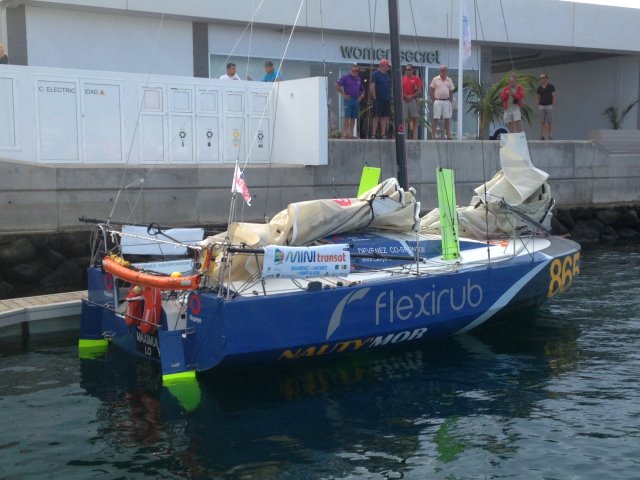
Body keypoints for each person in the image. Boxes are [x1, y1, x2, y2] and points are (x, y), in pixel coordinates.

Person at [336, 64, 365, 139]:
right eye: (354, 70)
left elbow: (362, 89)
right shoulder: (345, 78)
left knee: (353, 117)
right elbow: (337, 85)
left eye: (357, 71)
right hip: (348, 99)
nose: (355, 72)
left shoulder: (358, 79)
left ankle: (351, 134)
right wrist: (343, 94)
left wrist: (361, 96)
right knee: (347, 117)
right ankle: (345, 134)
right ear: (351, 71)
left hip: (356, 100)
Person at [429, 65, 454, 139]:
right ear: (439, 71)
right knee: (435, 118)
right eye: (442, 70)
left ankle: (448, 134)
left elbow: (451, 91)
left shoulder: (449, 80)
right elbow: (432, 90)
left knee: (447, 118)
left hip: (447, 101)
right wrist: (433, 99)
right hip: (438, 100)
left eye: (444, 70)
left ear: (446, 71)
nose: (443, 71)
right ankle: (433, 134)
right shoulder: (435, 79)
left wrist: (450, 101)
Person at [369, 58, 392, 139]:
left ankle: (383, 134)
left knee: (384, 116)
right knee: (376, 116)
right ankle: (373, 134)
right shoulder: (375, 74)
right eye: (387, 66)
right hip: (378, 98)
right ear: (383, 65)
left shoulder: (387, 75)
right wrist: (374, 97)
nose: (388, 68)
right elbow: (372, 86)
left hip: (387, 98)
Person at [402, 64, 423, 140]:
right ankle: (404, 136)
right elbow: (399, 90)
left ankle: (415, 136)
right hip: (404, 100)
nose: (408, 71)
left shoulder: (416, 79)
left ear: (412, 70)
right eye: (406, 69)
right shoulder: (402, 79)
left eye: (409, 69)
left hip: (413, 100)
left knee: (415, 118)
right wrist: (405, 96)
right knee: (404, 119)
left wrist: (412, 96)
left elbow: (419, 90)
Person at [537, 73, 556, 140]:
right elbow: (538, 97)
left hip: (548, 105)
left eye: (543, 78)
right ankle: (543, 135)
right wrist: (538, 104)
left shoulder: (551, 87)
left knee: (549, 121)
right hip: (542, 106)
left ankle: (550, 135)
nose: (542, 79)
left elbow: (553, 95)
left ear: (546, 78)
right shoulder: (539, 88)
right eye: (541, 78)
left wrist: (553, 103)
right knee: (543, 121)